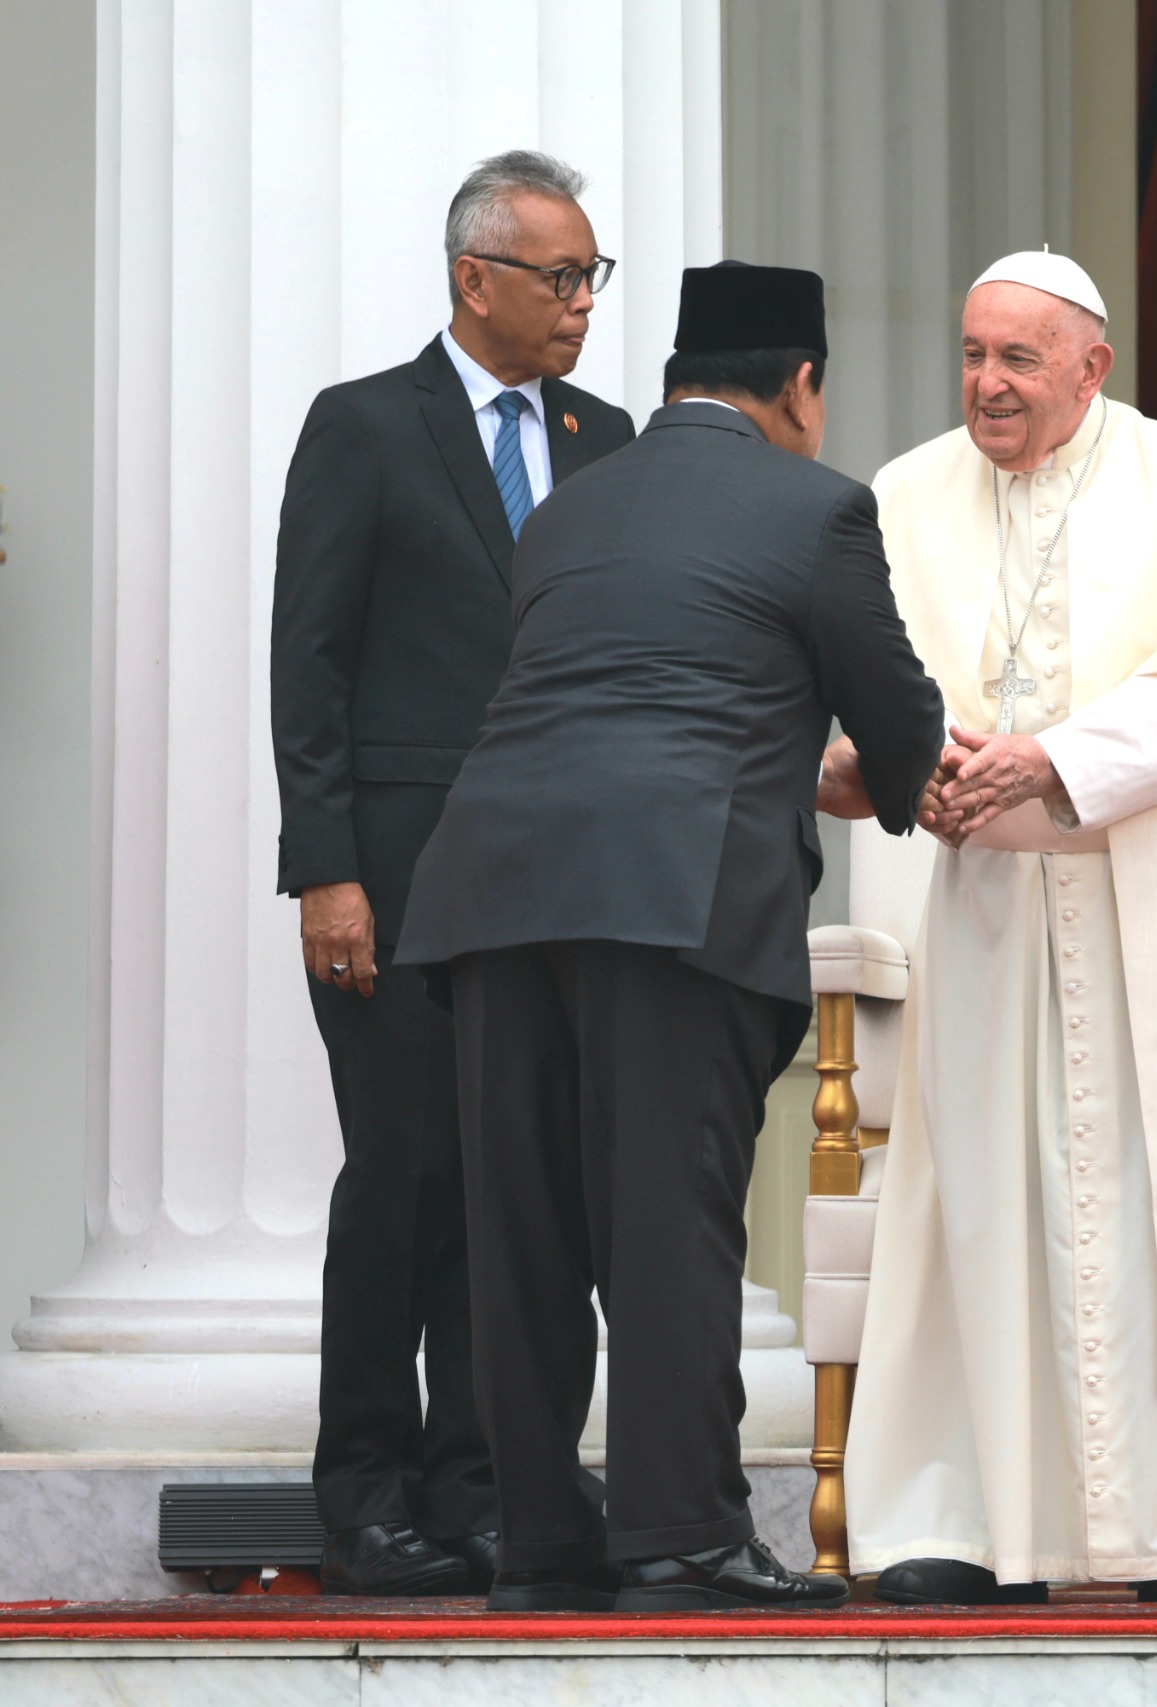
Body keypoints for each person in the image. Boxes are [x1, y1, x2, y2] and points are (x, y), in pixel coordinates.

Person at [396, 262, 945, 1611]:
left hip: (493, 886)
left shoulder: (568, 512)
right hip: (667, 887)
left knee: (518, 1228)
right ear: (800, 388)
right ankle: (682, 1540)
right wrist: (864, 768)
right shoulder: (821, 508)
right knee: (664, 1222)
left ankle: (538, 1540)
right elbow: (903, 726)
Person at [844, 250, 1157, 1604]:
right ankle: (974, 1519)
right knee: (987, 1200)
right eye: (971, 354)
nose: (986, 384)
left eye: (1018, 358)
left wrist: (1054, 761)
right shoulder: (905, 492)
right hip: (994, 909)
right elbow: (873, 690)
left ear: (1092, 365)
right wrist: (931, 758)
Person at [269, 150, 633, 1597]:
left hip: (561, 884)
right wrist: (327, 871)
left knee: (518, 1185)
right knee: (405, 1178)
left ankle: (481, 1483)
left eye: (593, 275)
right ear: (473, 277)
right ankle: (365, 1491)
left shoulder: (609, 440)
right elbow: (311, 664)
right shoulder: (365, 426)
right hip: (401, 879)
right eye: (560, 276)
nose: (583, 303)